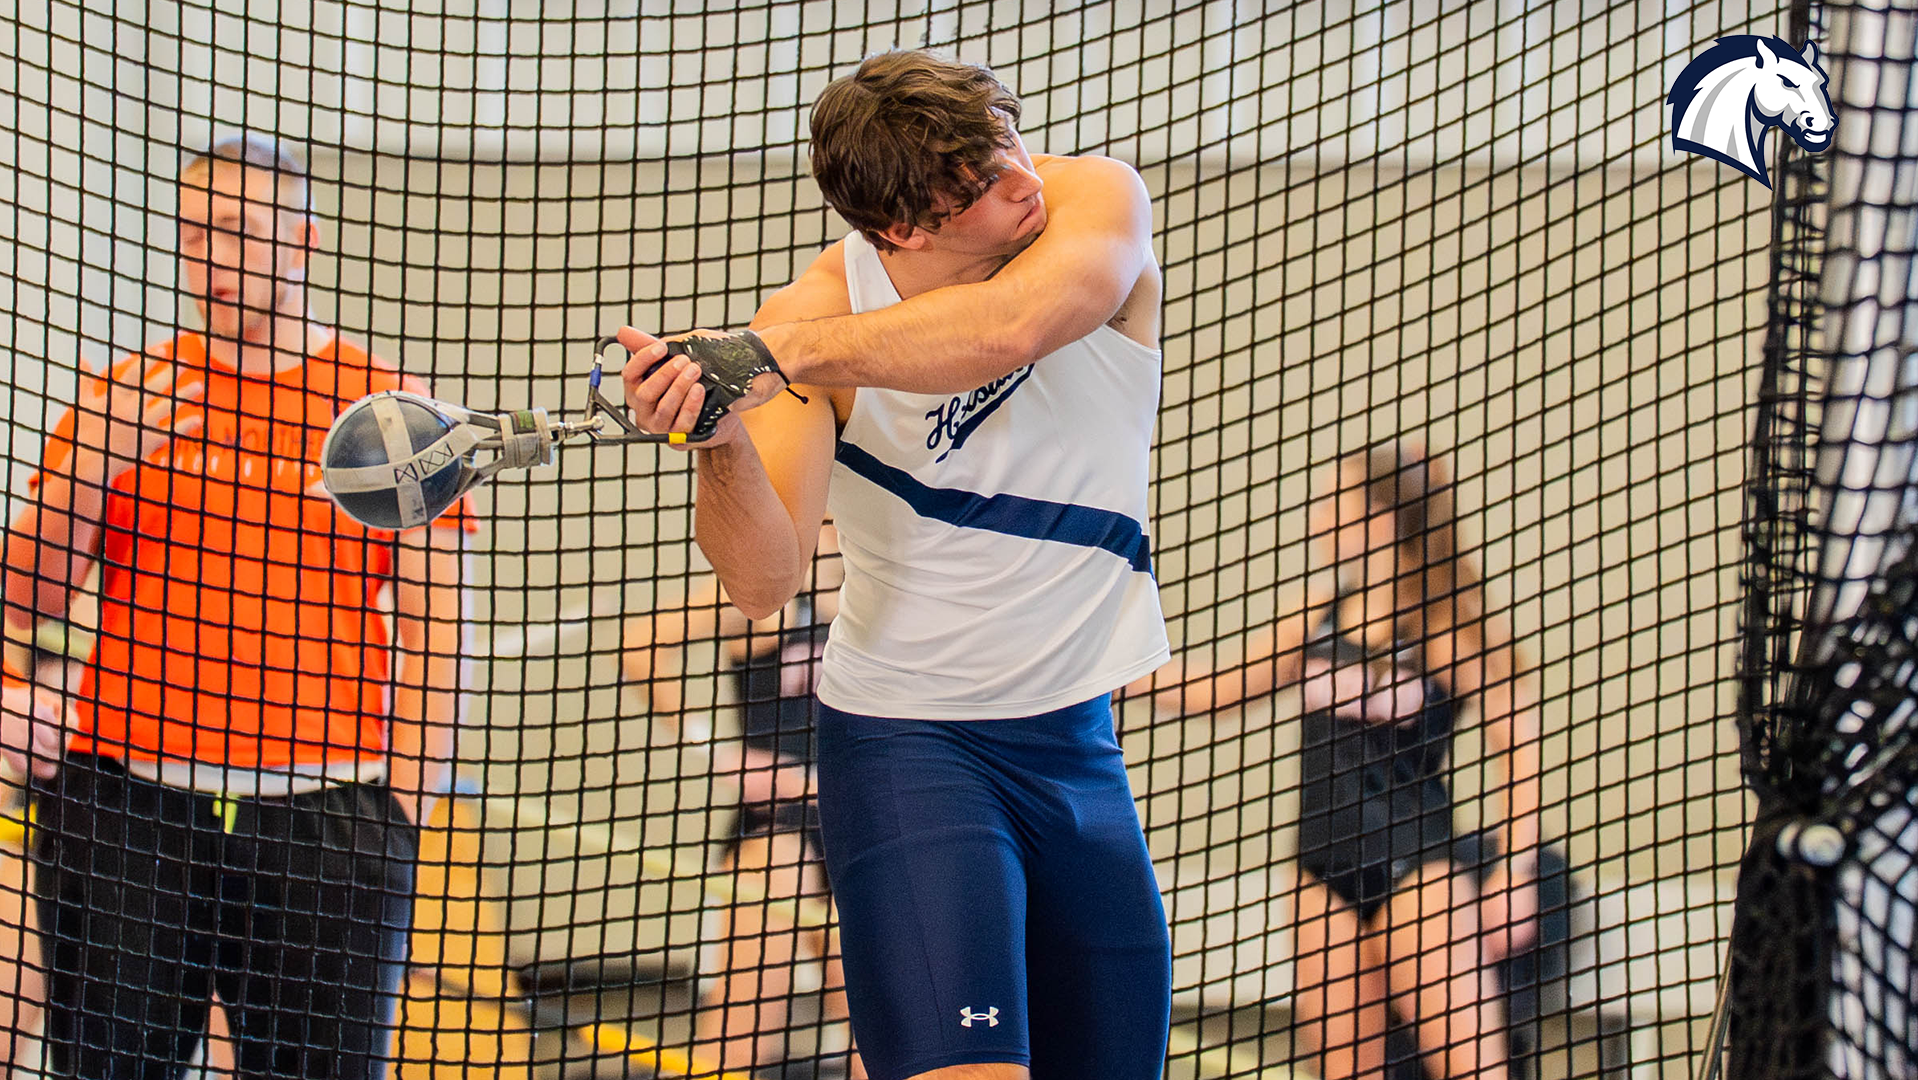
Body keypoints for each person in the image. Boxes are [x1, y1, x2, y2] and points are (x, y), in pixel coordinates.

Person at [620, 49, 1173, 1080]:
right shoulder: (813, 307)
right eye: (980, 185)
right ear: (903, 229)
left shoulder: (1093, 198)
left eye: (1009, 143)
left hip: (1077, 741)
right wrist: (720, 442)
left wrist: (777, 355)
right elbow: (761, 583)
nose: (1023, 179)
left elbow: (1012, 328)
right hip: (911, 745)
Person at [0, 133, 473, 1079]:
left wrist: (402, 809)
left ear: (302, 238)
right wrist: (91, 466)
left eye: (240, 231)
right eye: (194, 235)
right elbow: (26, 601)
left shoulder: (385, 413)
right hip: (126, 808)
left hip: (325, 816)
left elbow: (436, 622)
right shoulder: (127, 395)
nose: (214, 259)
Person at [1135, 442, 1543, 1080]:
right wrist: (1111, 674)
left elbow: (1518, 742)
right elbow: (1217, 691)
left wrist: (1514, 874)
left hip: (1418, 874)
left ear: (1380, 517)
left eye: (1334, 503)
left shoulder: (1442, 628)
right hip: (1322, 873)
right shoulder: (1316, 619)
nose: (1319, 518)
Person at [624, 522, 865, 1079]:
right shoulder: (776, 586)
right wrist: (717, 752)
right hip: (781, 831)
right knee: (738, 1041)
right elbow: (642, 643)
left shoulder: (883, 582)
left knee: (881, 1044)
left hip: (861, 826)